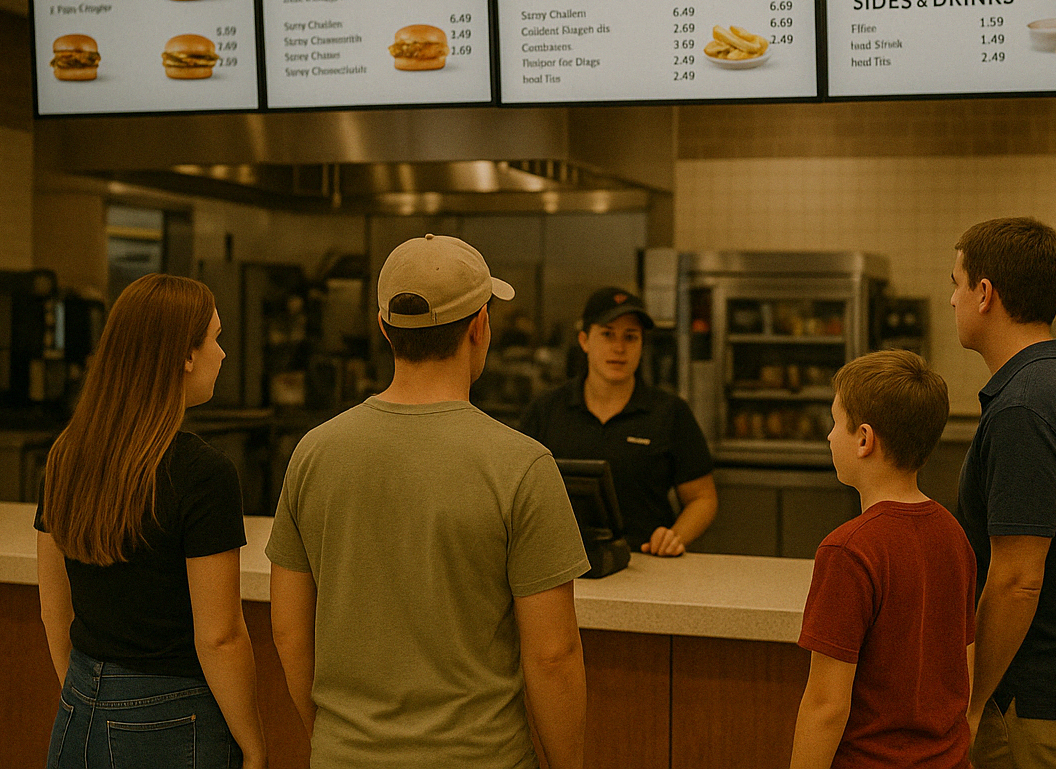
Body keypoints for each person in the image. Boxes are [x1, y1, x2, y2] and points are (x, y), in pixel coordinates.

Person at [266, 234, 590, 769]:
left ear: (384, 328)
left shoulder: (314, 453)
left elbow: (288, 631)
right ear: (480, 327)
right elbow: (552, 656)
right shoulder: (522, 466)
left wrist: (334, 741)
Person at [36, 273, 267, 769]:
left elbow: (55, 610)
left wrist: (90, 698)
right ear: (185, 355)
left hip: (77, 707)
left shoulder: (66, 455)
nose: (223, 353)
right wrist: (253, 746)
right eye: (215, 338)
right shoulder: (202, 473)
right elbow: (220, 636)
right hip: (173, 717)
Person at [951, 217, 1056, 768]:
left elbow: (1017, 581)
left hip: (1027, 697)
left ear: (984, 294)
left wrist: (972, 702)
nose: (951, 300)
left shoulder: (1024, 407)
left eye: (956, 284)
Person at [789, 349, 976, 769]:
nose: (829, 436)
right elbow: (964, 662)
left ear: (864, 439)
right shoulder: (953, 533)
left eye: (835, 422)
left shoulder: (848, 551)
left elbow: (825, 706)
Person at [519, 287, 718, 556]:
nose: (619, 348)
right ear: (584, 341)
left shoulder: (671, 412)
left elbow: (702, 498)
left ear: (642, 345)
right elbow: (517, 494)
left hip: (647, 561)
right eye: (607, 334)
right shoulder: (545, 410)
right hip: (560, 564)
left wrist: (674, 537)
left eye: (631, 337)